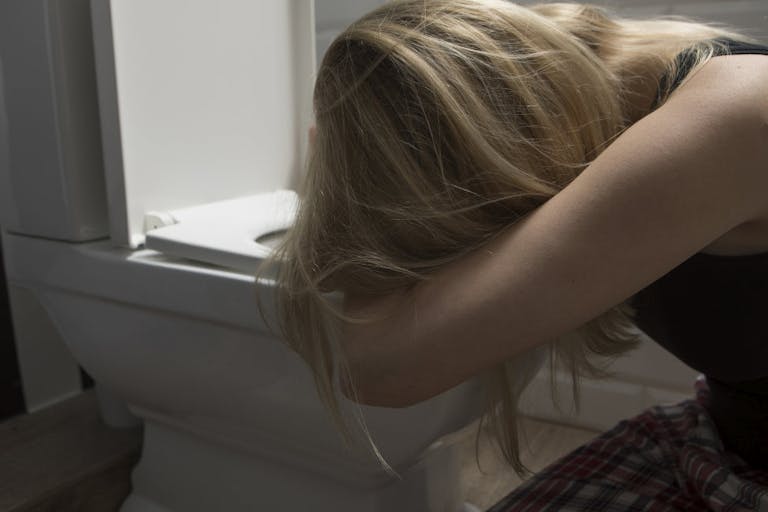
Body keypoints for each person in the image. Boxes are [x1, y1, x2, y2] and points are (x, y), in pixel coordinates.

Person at [266, 0, 768, 479]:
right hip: (723, 436)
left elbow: (379, 369)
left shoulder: (735, 113)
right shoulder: (578, 70)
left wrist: (350, 201)